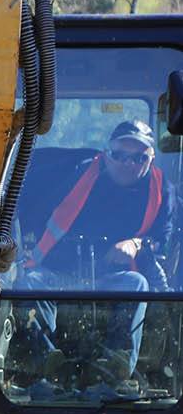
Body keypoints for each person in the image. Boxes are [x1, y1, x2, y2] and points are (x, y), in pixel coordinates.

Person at [19, 119, 175, 395]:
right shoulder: (73, 175)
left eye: (139, 158)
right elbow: (29, 208)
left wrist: (136, 243)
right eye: (119, 155)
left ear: (151, 159)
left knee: (137, 284)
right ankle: (49, 367)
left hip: (111, 277)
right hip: (62, 271)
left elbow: (163, 238)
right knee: (31, 283)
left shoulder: (162, 191)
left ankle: (116, 370)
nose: (129, 164)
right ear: (105, 155)